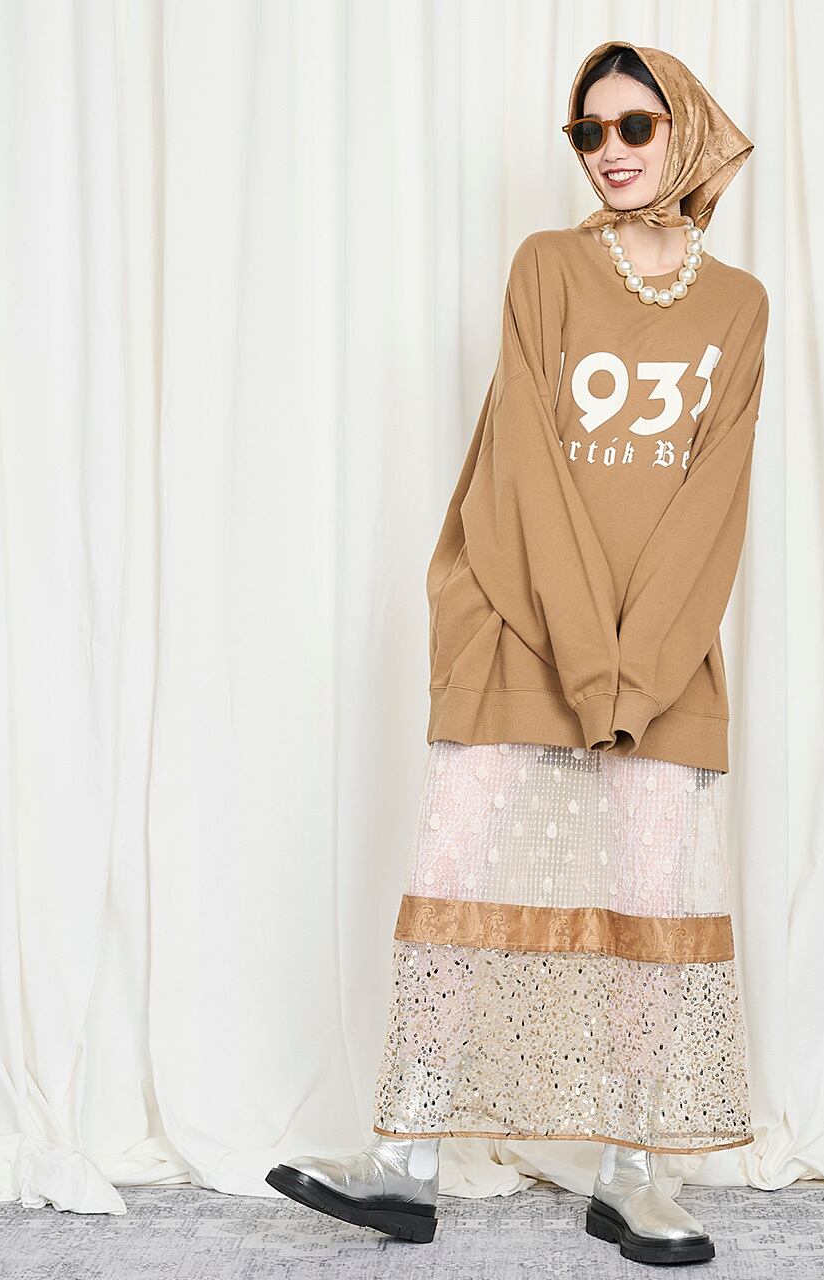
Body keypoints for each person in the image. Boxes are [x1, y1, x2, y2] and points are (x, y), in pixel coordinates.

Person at [267, 38, 768, 1268]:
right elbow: (524, 473)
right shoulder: (545, 267)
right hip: (518, 625)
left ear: (684, 131)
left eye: (634, 126)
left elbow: (713, 501)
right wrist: (588, 663)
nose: (609, 152)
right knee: (452, 881)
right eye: (587, 132)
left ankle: (634, 1171)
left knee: (650, 899)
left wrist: (635, 671)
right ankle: (405, 1160)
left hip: (660, 656)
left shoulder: (739, 305)